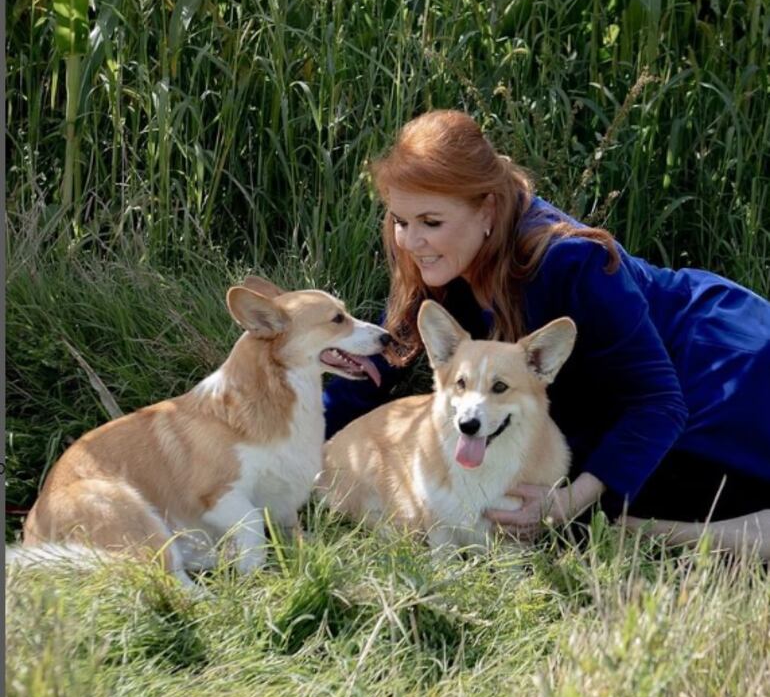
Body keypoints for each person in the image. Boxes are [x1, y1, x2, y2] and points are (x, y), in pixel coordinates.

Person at [323, 110, 770, 559]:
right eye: (400, 221)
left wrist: (565, 504)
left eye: (430, 222)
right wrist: (290, 448)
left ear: (488, 210)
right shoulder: (438, 259)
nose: (410, 240)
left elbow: (658, 402)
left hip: (717, 367)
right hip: (609, 396)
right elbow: (385, 364)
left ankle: (657, 532)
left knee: (606, 499)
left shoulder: (570, 262)